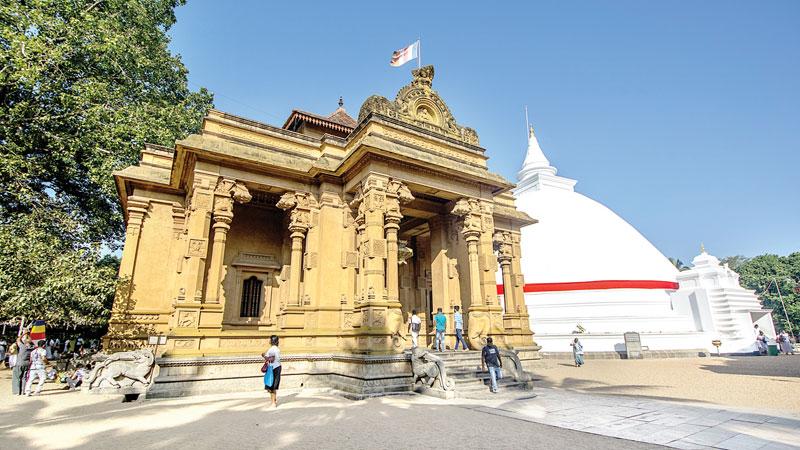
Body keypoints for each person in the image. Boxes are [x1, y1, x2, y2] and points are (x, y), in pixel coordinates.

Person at [262, 335, 282, 408]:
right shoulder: (276, 349)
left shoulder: (272, 349)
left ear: (271, 341)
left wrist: (264, 356)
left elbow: (271, 359)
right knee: (272, 385)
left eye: (270, 340)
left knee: (271, 385)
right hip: (277, 367)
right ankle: (274, 400)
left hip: (273, 368)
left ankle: (273, 403)